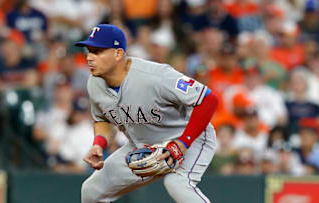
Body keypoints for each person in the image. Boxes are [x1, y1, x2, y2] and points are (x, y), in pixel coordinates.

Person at [76, 24, 218, 203]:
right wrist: (99, 143)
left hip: (190, 138)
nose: (89, 57)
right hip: (141, 146)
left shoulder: (155, 76)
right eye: (89, 51)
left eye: (97, 51)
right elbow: (102, 118)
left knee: (177, 184)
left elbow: (208, 99)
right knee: (91, 191)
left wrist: (182, 143)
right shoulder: (94, 83)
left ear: (118, 54)